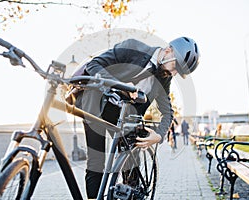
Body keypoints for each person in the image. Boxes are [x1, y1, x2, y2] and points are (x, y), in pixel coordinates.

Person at [73, 37, 200, 199]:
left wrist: (159, 135)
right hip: (97, 106)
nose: (173, 74)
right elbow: (93, 65)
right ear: (168, 51)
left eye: (178, 73)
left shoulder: (164, 76)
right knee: (96, 163)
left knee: (131, 164)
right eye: (176, 67)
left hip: (126, 118)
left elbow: (168, 112)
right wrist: (121, 86)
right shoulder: (133, 47)